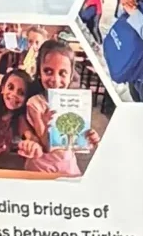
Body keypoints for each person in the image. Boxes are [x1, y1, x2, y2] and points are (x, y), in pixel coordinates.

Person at [20, 39, 104, 175]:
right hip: (41, 168)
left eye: (62, 73)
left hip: (68, 166)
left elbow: (75, 141)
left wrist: (88, 136)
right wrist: (46, 123)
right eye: (48, 71)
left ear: (71, 76)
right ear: (39, 73)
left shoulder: (75, 102)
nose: (55, 80)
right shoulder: (35, 104)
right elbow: (47, 146)